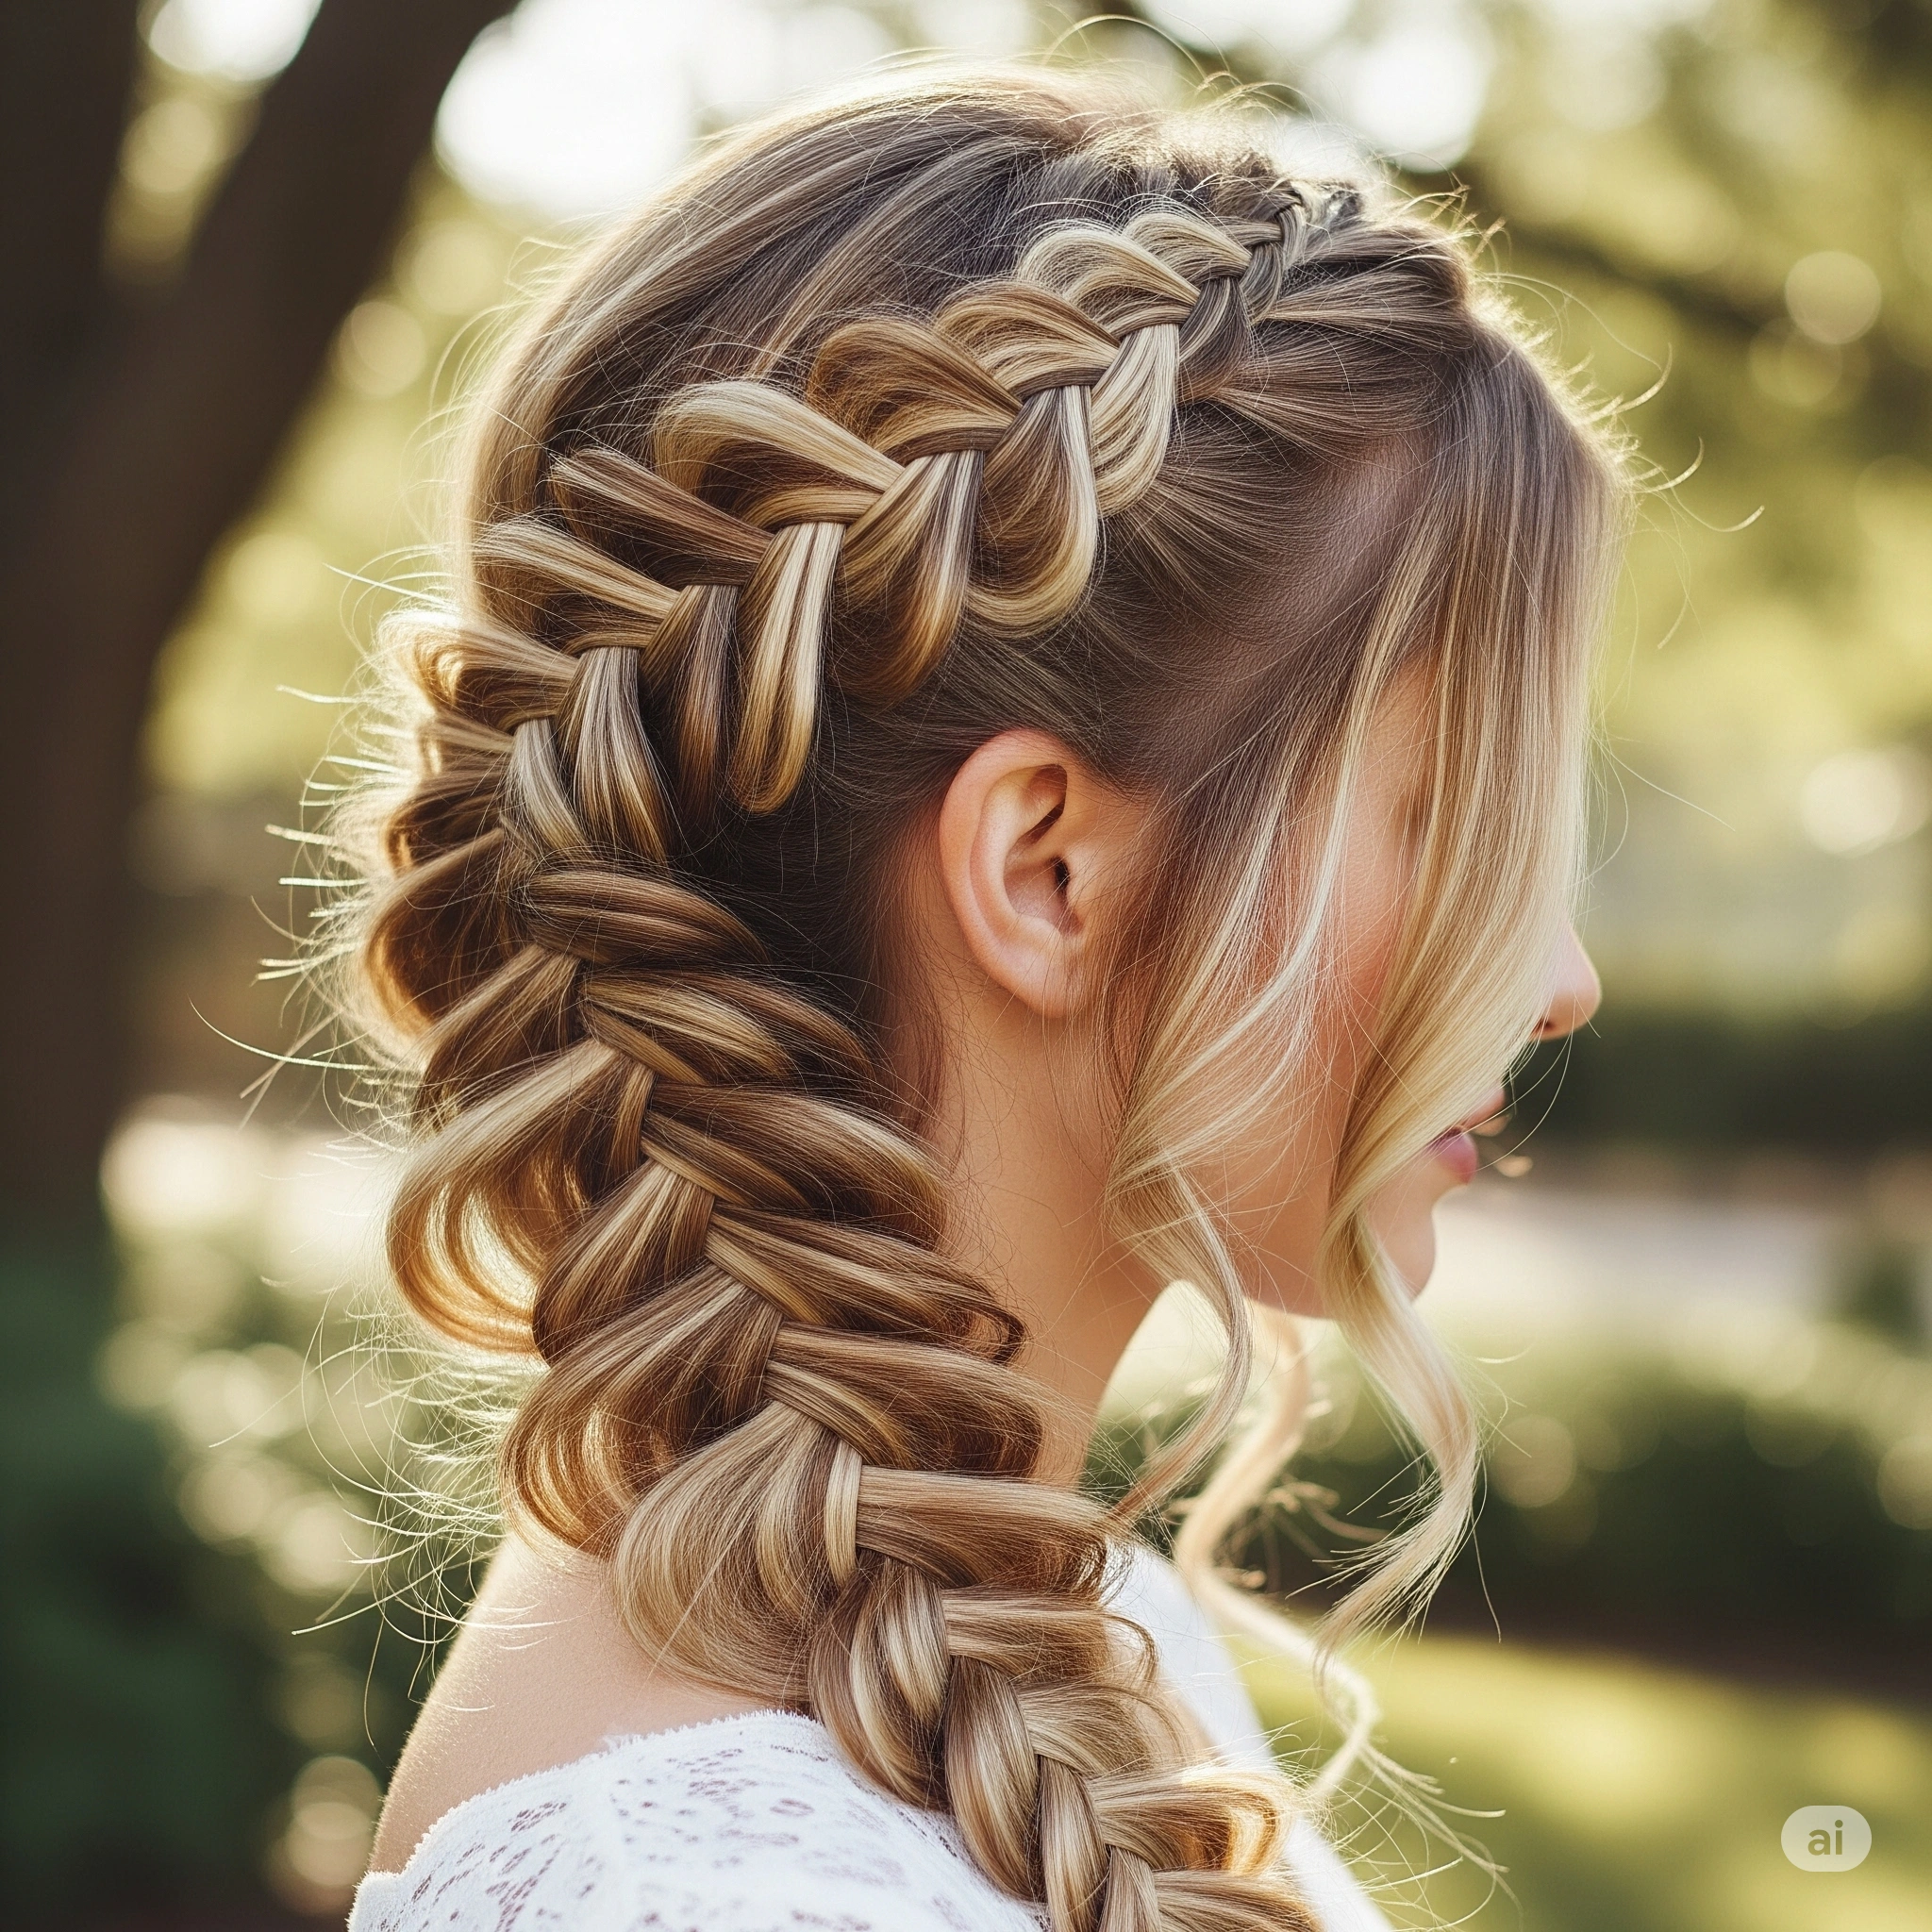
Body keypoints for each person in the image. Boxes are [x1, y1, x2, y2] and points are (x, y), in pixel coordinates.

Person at [340, 63, 1617, 1932]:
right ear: (1042, 872)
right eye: (1450, 824)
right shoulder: (698, 1898)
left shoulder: (1048, 1631)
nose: (1560, 979)